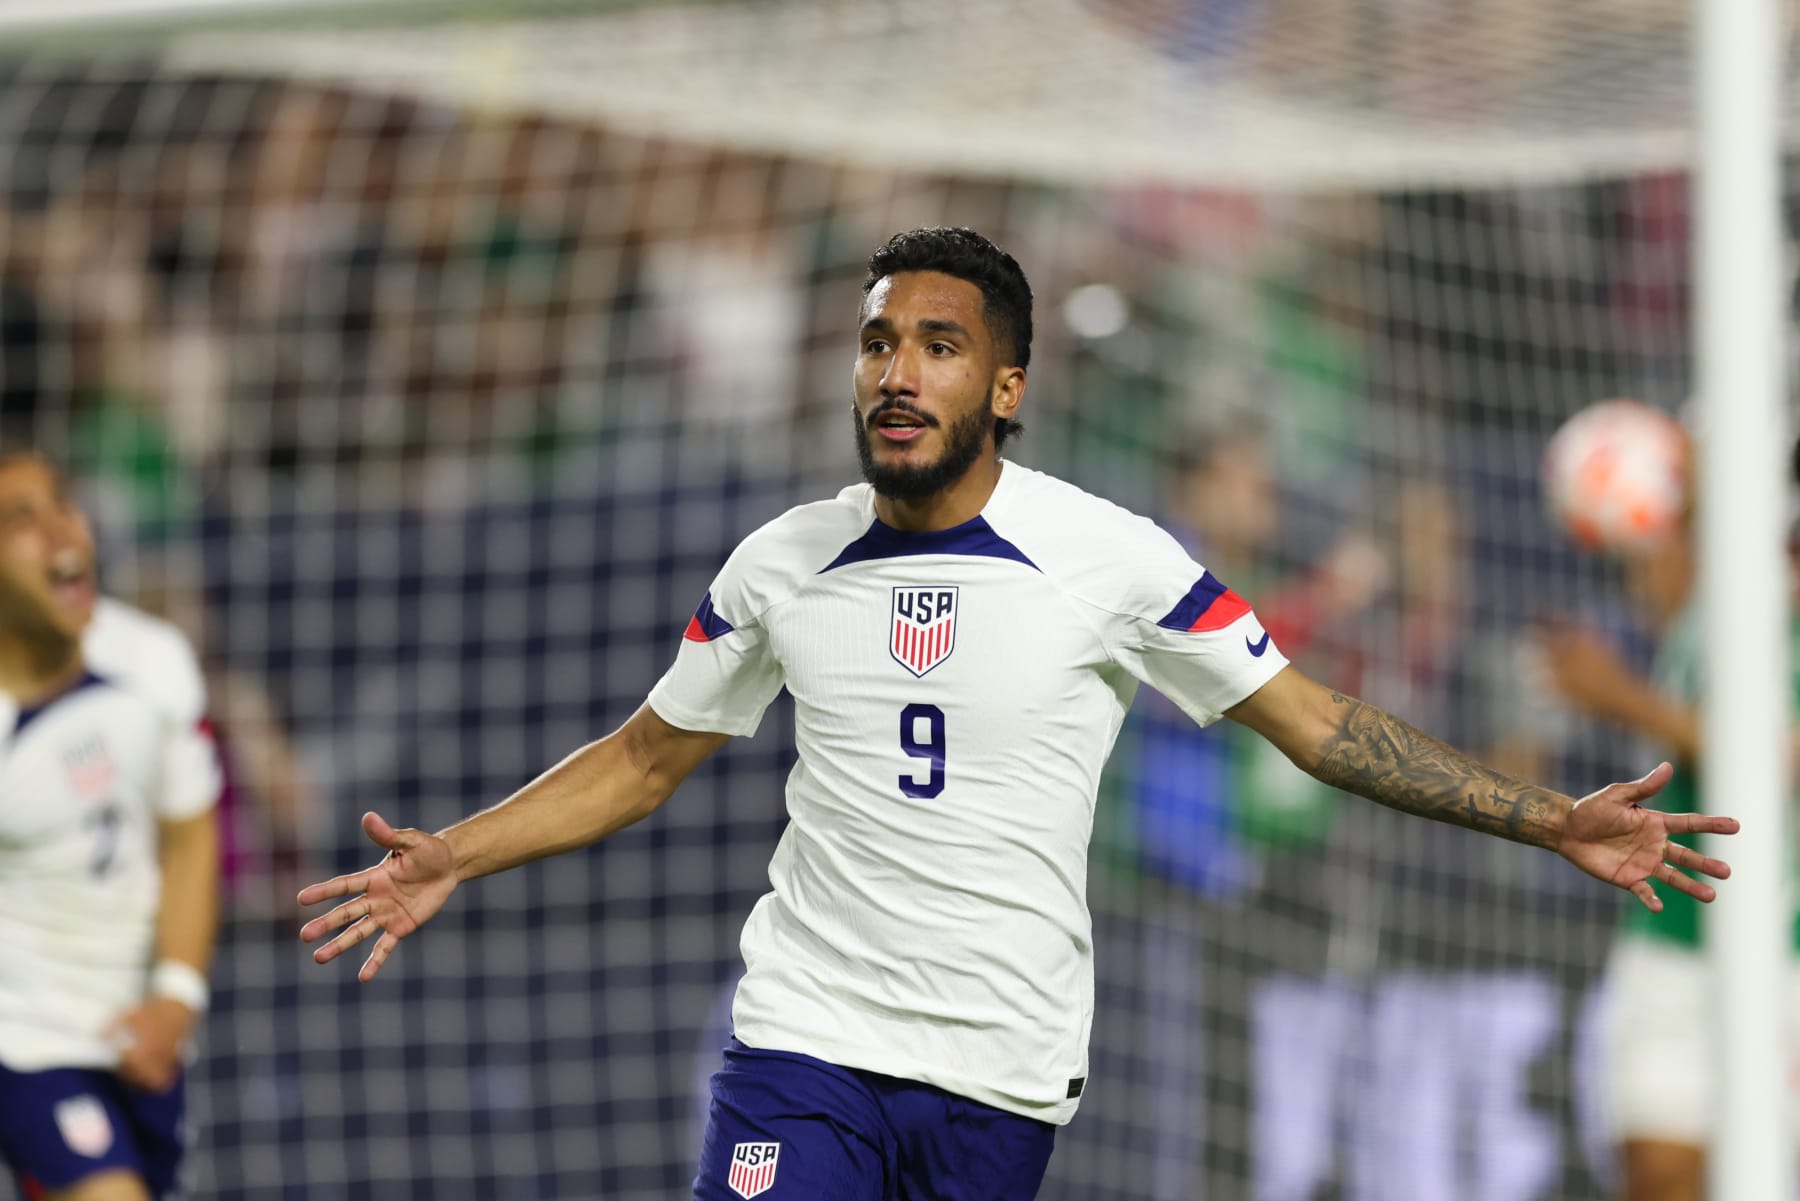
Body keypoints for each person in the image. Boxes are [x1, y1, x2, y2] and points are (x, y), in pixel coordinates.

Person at [300, 228, 1737, 1201]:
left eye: (934, 345)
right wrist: (458, 852)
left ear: (1006, 384)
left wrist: (1547, 816)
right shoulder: (780, 562)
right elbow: (643, 758)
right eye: (876, 342)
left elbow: (1312, 721)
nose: (893, 372)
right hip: (806, 1041)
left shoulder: (1112, 557)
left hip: (999, 1070)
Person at [1540, 438, 1799, 1201]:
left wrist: (1619, 695)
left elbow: (1778, 759)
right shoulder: (1708, 598)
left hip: (1777, 953)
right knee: (1655, 1174)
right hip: (1670, 940)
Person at [0, 448, 221, 1201]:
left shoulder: (152, 662)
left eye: (64, 502)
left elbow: (191, 835)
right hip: (26, 1040)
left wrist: (176, 995)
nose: (63, 530)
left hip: (140, 1036)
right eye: (21, 519)